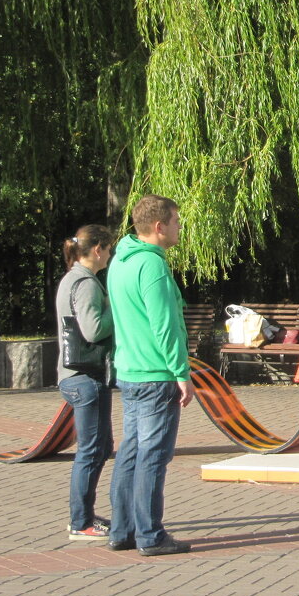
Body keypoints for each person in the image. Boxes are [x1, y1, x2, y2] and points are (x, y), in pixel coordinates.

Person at [106, 194, 193, 556]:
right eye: (175, 221)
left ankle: (122, 530)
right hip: (156, 373)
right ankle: (150, 535)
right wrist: (181, 372)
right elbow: (165, 325)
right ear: (158, 227)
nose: (178, 227)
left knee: (131, 451)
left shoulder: (118, 262)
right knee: (153, 455)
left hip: (129, 369)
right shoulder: (152, 266)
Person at [56, 225, 115, 541]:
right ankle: (81, 522)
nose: (109, 254)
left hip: (78, 377)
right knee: (91, 451)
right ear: (97, 250)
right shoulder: (86, 283)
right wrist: (117, 309)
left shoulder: (72, 278)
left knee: (101, 447)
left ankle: (85, 515)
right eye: (108, 249)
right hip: (85, 379)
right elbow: (93, 331)